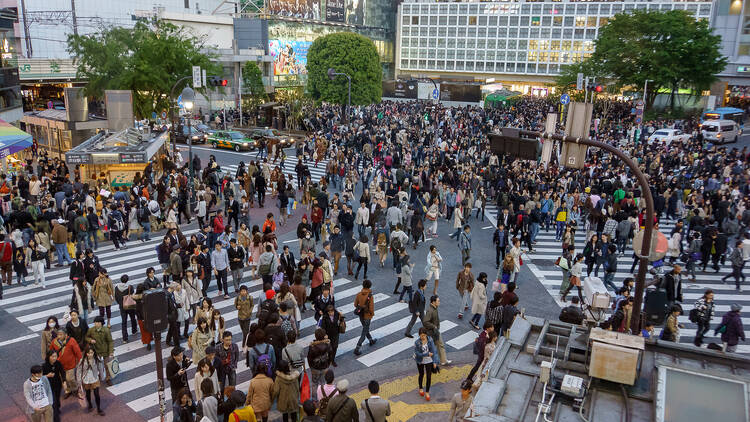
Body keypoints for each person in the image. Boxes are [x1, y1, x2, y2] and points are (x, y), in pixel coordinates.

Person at [48, 329, 81, 398]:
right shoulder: (54, 342)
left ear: (65, 334)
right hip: (60, 365)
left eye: (61, 334)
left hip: (70, 364)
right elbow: (51, 351)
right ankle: (68, 390)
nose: (59, 336)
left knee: (70, 378)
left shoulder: (71, 340)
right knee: (63, 379)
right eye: (58, 334)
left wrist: (80, 360)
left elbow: (77, 351)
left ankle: (75, 388)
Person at [84, 316, 114, 387]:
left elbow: (110, 341)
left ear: (101, 323)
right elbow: (86, 337)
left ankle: (108, 378)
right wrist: (90, 340)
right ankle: (99, 376)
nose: (96, 324)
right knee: (97, 365)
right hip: (96, 351)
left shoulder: (106, 330)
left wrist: (111, 351)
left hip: (105, 350)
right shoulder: (91, 330)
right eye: (95, 322)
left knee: (107, 365)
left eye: (98, 322)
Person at [76, 346, 106, 416]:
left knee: (96, 394)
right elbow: (79, 371)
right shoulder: (82, 360)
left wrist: (102, 377)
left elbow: (100, 368)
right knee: (88, 393)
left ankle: (99, 409)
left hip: (94, 378)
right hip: (86, 379)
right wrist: (79, 381)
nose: (90, 354)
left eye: (92, 353)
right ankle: (90, 404)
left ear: (94, 353)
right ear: (86, 353)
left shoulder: (96, 359)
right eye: (89, 353)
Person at [423, 295, 451, 365]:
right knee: (437, 346)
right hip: (432, 332)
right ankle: (442, 361)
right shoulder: (430, 310)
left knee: (438, 345)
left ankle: (443, 360)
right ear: (433, 302)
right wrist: (434, 326)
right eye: (438, 301)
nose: (439, 302)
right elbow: (425, 322)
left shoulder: (434, 308)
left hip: (434, 331)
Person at [413, 327, 438, 401]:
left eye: (424, 335)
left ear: (426, 334)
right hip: (420, 360)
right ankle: (420, 388)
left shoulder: (430, 340)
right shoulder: (417, 342)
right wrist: (426, 354)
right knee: (421, 374)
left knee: (429, 376)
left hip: (429, 360)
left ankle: (427, 392)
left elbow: (434, 350)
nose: (422, 337)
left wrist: (435, 362)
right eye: (421, 335)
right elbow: (417, 353)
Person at [353, 279, 376, 356]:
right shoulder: (370, 296)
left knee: (365, 329)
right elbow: (371, 308)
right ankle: (357, 348)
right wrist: (372, 314)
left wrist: (361, 306)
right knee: (364, 332)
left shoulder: (359, 294)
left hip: (361, 315)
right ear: (370, 286)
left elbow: (355, 304)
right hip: (367, 316)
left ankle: (371, 340)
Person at [114, 275, 138, 343]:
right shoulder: (130, 287)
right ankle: (134, 330)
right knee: (133, 318)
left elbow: (116, 297)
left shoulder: (116, 288)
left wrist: (120, 303)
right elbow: (132, 295)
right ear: (127, 280)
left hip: (122, 307)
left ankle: (125, 338)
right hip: (129, 306)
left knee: (124, 322)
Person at [42, 351, 64, 422]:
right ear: (49, 357)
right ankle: (56, 418)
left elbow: (62, 372)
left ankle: (58, 407)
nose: (54, 358)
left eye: (55, 356)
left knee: (57, 399)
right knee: (53, 402)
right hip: (49, 386)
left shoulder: (58, 363)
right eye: (53, 356)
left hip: (58, 384)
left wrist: (64, 381)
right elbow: (40, 377)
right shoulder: (44, 366)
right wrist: (47, 376)